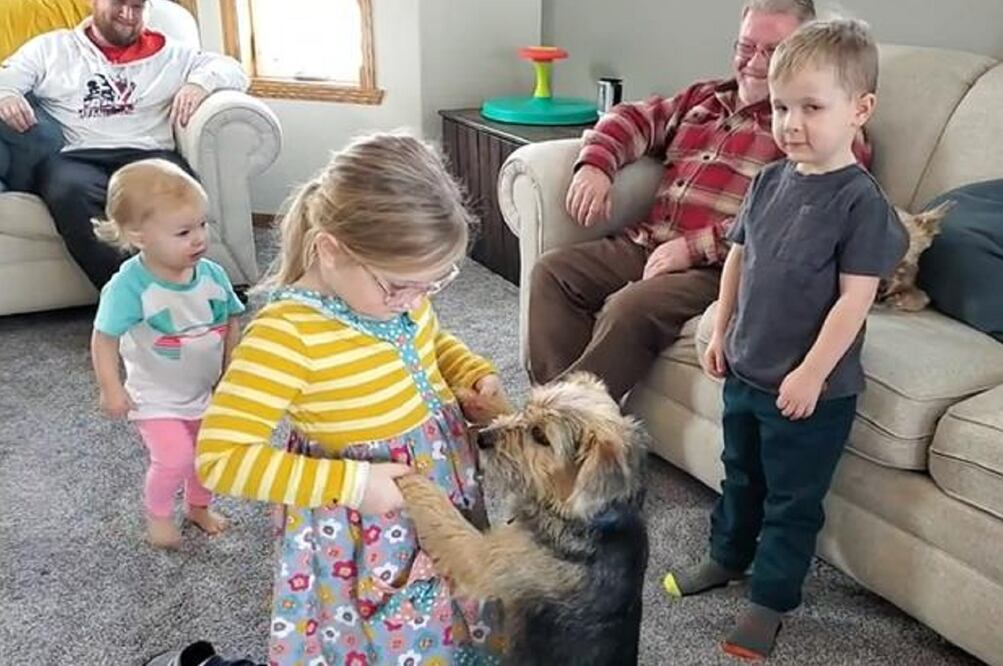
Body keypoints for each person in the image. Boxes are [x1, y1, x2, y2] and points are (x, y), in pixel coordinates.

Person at [192, 133, 509, 664]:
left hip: (442, 499)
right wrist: (353, 484)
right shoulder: (286, 335)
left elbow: (427, 339)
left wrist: (469, 371)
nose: (414, 301)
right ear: (331, 249)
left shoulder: (399, 301)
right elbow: (221, 459)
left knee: (455, 615)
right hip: (368, 535)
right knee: (394, 635)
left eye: (433, 284)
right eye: (400, 286)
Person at [661, 19, 908, 660]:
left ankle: (770, 601)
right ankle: (726, 557)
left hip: (810, 394)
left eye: (812, 107)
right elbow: (739, 256)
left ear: (861, 110)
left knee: (792, 500)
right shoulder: (770, 180)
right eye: (780, 107)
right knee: (739, 474)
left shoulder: (861, 203)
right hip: (746, 370)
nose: (791, 123)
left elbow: (855, 300)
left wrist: (812, 373)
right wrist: (722, 326)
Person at [529, 0, 872, 403]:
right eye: (746, 47)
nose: (755, 63)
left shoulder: (808, 128)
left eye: (773, 50)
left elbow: (792, 220)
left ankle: (560, 424)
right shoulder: (705, 98)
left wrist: (692, 249)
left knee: (630, 308)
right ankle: (562, 415)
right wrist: (596, 165)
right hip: (647, 243)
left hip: (724, 267)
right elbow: (635, 118)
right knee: (552, 273)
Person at [0, 0, 248, 288]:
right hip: (78, 156)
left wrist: (200, 83)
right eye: (119, 4)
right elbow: (6, 77)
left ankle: (190, 288)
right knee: (68, 190)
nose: (128, 15)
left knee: (175, 195)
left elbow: (234, 70)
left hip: (149, 154)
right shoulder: (52, 48)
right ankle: (135, 295)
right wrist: (7, 95)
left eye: (137, 7)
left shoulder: (173, 54)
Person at [90, 158, 244, 548]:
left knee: (207, 457)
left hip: (205, 391)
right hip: (154, 396)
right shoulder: (130, 286)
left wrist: (232, 369)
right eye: (183, 232)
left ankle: (198, 506)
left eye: (202, 225)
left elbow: (230, 322)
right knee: (175, 457)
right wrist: (111, 388)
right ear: (139, 236)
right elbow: (103, 337)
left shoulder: (212, 274)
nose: (199, 238)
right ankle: (158, 515)